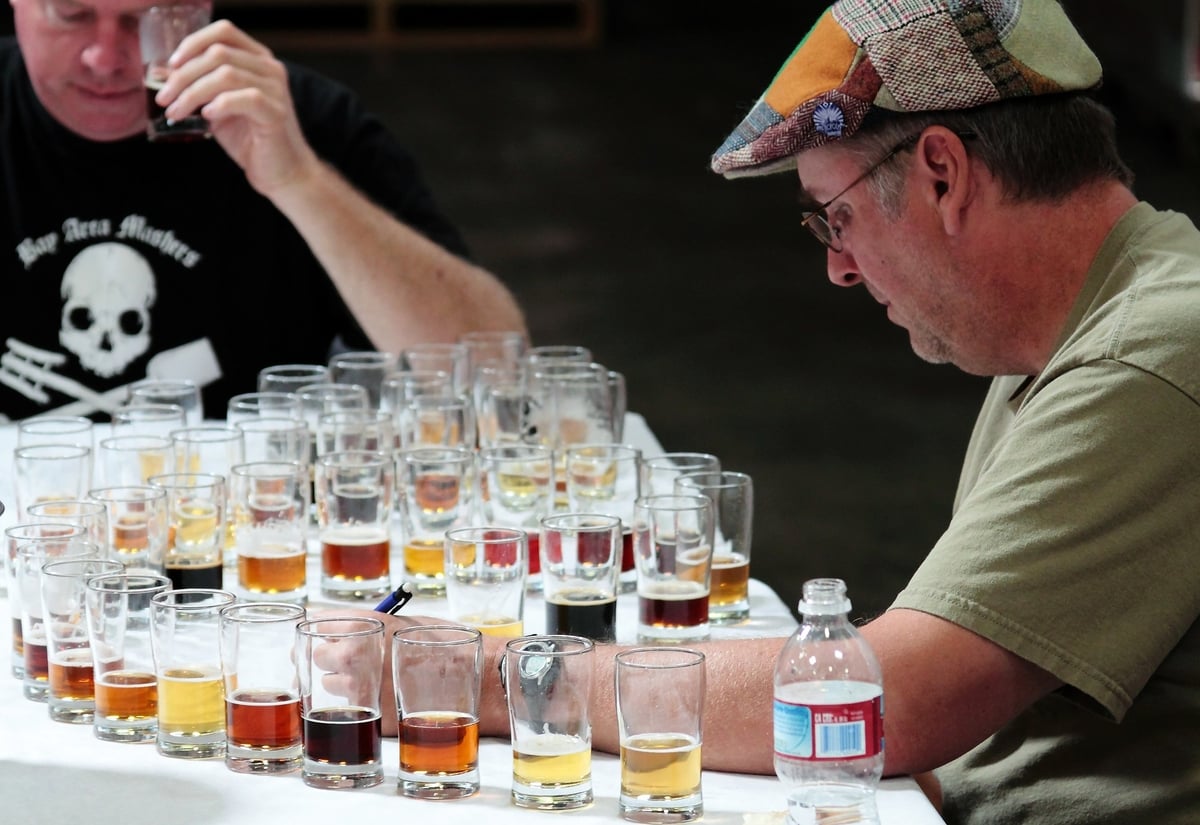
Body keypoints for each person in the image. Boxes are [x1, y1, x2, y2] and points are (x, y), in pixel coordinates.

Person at [358, 2, 1200, 823]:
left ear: (943, 173)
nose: (837, 267)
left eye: (837, 217)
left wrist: (485, 676)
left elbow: (888, 699)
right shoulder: (1072, 323)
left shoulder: (1150, 355)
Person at [0, 0, 525, 421]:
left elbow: (497, 376)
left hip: (247, 527)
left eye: (143, 20)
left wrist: (299, 181)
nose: (106, 58)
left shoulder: (291, 117)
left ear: (198, 12)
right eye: (73, 15)